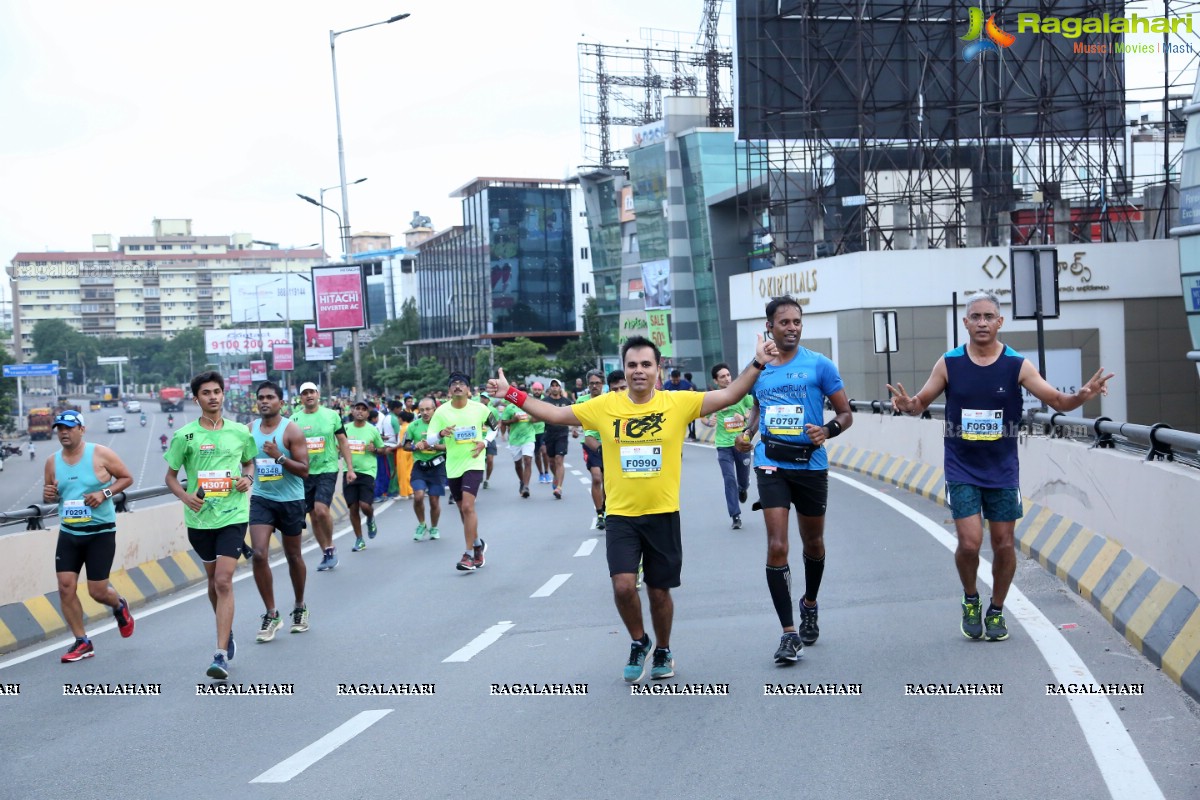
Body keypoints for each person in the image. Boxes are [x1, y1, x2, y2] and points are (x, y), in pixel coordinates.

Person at [487, 333, 775, 682]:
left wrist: (758, 362)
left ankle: (664, 649)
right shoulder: (605, 406)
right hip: (621, 515)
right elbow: (556, 412)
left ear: (658, 368)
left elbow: (731, 394)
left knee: (658, 590)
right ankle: (640, 641)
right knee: (623, 586)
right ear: (624, 370)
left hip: (662, 513)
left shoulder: (677, 403)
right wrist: (512, 394)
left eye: (646, 365)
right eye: (632, 365)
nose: (639, 371)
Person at [888, 290, 1114, 642]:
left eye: (988, 316)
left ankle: (996, 609)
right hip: (961, 467)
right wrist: (907, 403)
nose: (982, 322)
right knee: (969, 543)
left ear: (999, 322)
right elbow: (920, 403)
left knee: (1004, 544)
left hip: (1003, 469)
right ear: (965, 322)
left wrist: (1083, 395)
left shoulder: (1016, 364)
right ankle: (971, 599)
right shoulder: (948, 363)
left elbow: (1057, 400)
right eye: (975, 317)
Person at [734, 296, 853, 666]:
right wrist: (748, 432)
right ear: (769, 326)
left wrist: (828, 430)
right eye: (784, 322)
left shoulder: (820, 365)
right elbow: (757, 406)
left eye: (797, 322)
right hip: (771, 464)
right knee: (777, 545)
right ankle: (789, 633)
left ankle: (810, 603)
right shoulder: (760, 368)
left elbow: (846, 413)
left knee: (813, 542)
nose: (792, 328)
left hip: (811, 464)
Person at [164, 371, 257, 680]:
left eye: (217, 391)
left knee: (224, 581)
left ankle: (219, 654)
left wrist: (248, 478)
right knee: (212, 581)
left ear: (223, 395)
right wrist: (185, 497)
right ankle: (225, 628)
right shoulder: (184, 436)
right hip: (200, 518)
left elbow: (248, 462)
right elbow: (170, 477)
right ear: (197, 399)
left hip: (233, 515)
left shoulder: (240, 432)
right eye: (207, 393)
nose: (213, 396)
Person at [42, 410, 135, 662]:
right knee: (65, 587)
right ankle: (82, 641)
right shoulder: (52, 461)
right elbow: (49, 494)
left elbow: (127, 478)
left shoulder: (100, 453)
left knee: (97, 591)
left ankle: (119, 605)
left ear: (81, 430)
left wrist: (104, 494)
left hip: (100, 533)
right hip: (70, 532)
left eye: (69, 428)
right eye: (60, 428)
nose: (63, 432)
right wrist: (48, 496)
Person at [248, 381, 311, 642]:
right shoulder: (249, 429)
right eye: (261, 397)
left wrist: (279, 457)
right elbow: (243, 461)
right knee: (259, 554)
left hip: (291, 500)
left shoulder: (291, 430)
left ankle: (299, 606)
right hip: (262, 498)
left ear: (280, 403)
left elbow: (304, 469)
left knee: (293, 556)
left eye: (270, 397)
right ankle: (271, 613)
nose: (265, 401)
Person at [426, 372, 497, 571]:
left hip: (474, 462)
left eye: (461, 384)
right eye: (454, 384)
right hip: (453, 465)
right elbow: (429, 439)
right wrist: (441, 433)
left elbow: (494, 428)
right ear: (449, 390)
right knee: (462, 510)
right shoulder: (441, 412)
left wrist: (484, 442)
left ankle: (467, 555)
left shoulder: (480, 408)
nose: (457, 386)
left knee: (467, 507)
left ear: (468, 389)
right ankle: (477, 545)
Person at [292, 381, 356, 571]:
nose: (309, 396)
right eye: (305, 393)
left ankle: (330, 545)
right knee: (313, 514)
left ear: (318, 394)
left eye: (312, 392)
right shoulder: (294, 420)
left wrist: (349, 468)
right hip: (304, 472)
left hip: (327, 468)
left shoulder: (332, 415)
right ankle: (326, 551)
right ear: (301, 398)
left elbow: (343, 442)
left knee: (321, 510)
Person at [704, 362, 754, 530]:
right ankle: (735, 515)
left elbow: (754, 408)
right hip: (723, 444)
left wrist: (744, 417)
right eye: (722, 376)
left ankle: (743, 487)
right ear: (716, 381)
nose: (726, 378)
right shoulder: (713, 397)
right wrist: (708, 422)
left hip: (742, 442)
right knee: (728, 479)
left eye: (728, 375)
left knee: (742, 479)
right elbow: (703, 417)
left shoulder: (741, 392)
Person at [345, 400, 385, 552]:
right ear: (352, 411)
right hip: (349, 471)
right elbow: (338, 446)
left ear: (368, 413)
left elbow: (383, 449)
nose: (360, 411)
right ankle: (359, 539)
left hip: (367, 471)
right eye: (357, 409)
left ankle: (370, 517)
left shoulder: (372, 430)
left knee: (364, 505)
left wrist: (374, 449)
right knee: (353, 507)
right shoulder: (345, 429)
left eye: (363, 409)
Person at [405, 397, 448, 541]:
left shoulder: (443, 426)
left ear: (434, 409)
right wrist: (414, 446)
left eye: (428, 409)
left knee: (434, 501)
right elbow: (405, 445)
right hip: (420, 466)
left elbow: (449, 447)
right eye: (422, 410)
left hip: (437, 466)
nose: (425, 412)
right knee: (418, 496)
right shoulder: (413, 426)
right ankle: (422, 524)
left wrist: (432, 446)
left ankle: (434, 527)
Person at [573, 369, 607, 528]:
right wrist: (574, 428)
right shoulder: (581, 401)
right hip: (590, 444)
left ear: (603, 384)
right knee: (596, 477)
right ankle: (600, 513)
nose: (594, 386)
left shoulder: (609, 399)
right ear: (588, 385)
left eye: (597, 383)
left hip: (609, 443)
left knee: (608, 482)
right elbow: (574, 417)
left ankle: (607, 509)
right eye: (592, 383)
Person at [499, 389, 537, 498]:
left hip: (529, 437)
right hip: (515, 439)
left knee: (528, 460)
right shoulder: (510, 407)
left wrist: (534, 419)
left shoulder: (530, 407)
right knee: (518, 464)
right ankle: (522, 481)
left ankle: (526, 486)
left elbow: (539, 417)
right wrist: (513, 420)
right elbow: (504, 422)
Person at [540, 379, 573, 499]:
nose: (555, 388)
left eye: (557, 385)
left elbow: (575, 414)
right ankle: (556, 477)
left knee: (559, 459)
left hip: (562, 434)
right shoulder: (545, 402)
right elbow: (538, 416)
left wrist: (574, 429)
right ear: (550, 388)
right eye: (552, 386)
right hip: (549, 434)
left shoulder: (566, 401)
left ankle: (559, 487)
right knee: (552, 462)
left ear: (560, 388)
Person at [529, 382, 550, 484]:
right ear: (532, 390)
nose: (537, 391)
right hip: (532, 431)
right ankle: (541, 473)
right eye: (535, 389)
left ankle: (547, 472)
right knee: (537, 454)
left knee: (544, 452)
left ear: (542, 390)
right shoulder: (529, 400)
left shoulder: (545, 400)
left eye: (539, 390)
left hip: (543, 430)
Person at [395, 410, 415, 500]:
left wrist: (391, 448)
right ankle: (410, 491)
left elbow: (401, 443)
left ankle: (403, 493)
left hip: (402, 451)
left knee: (402, 473)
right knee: (408, 472)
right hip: (410, 451)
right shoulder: (411, 427)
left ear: (401, 418)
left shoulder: (402, 428)